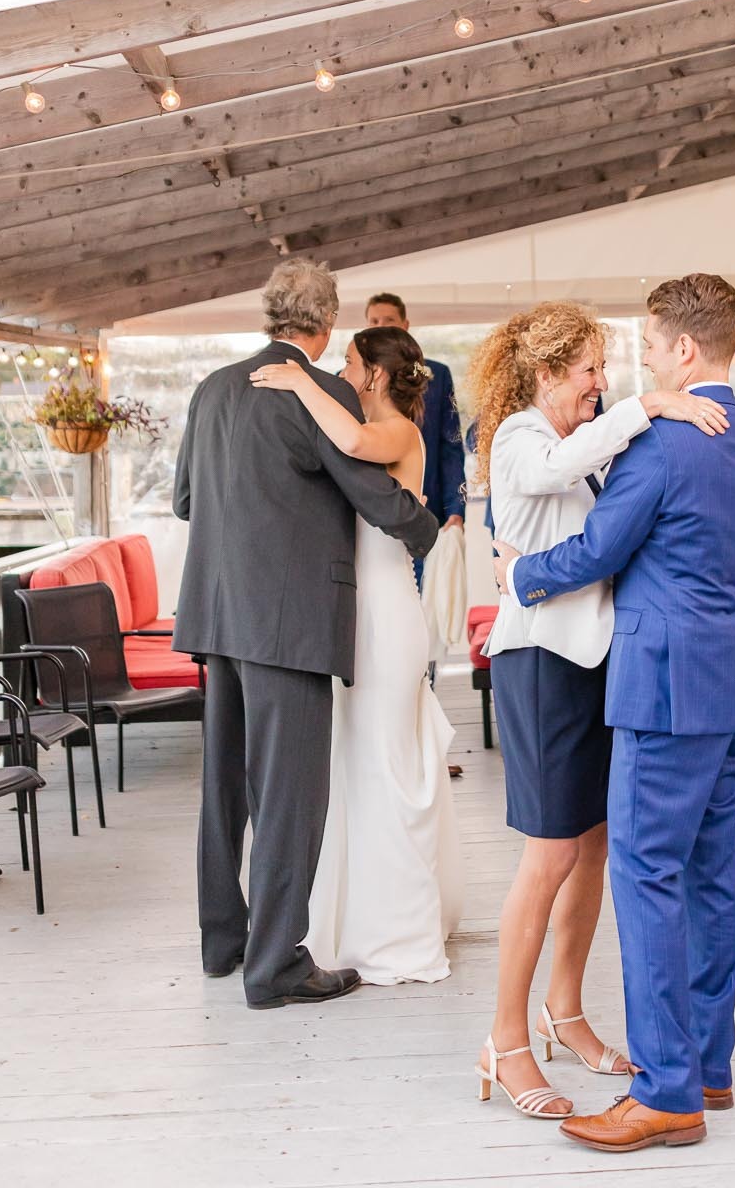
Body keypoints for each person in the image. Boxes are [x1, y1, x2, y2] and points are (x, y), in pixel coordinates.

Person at [494, 274, 735, 1154]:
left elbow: (600, 548)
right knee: (711, 874)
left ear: (684, 350)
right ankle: (710, 1066)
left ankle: (664, 1094)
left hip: (661, 685)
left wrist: (519, 576)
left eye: (649, 348)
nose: (639, 368)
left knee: (646, 878)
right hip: (728, 681)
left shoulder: (663, 443)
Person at [171, 259, 437, 1010]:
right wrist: (426, 530)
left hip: (216, 614)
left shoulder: (211, 387)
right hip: (287, 621)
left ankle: (224, 942)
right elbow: (373, 494)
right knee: (289, 794)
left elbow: (187, 499)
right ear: (325, 323)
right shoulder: (315, 390)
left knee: (225, 786)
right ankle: (276, 964)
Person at [250, 326, 461, 983]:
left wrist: (297, 381)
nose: (339, 368)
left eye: (348, 361)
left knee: (384, 764)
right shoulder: (370, 424)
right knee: (356, 764)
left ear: (374, 374)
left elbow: (350, 440)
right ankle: (351, 923)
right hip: (354, 613)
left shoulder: (397, 429)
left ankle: (395, 935)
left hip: (387, 615)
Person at [364, 293, 465, 552]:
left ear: (405, 325)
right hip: (367, 513)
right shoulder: (353, 377)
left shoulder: (436, 374)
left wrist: (455, 507)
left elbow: (450, 446)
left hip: (425, 509)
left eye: (389, 319)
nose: (381, 326)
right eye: (374, 320)